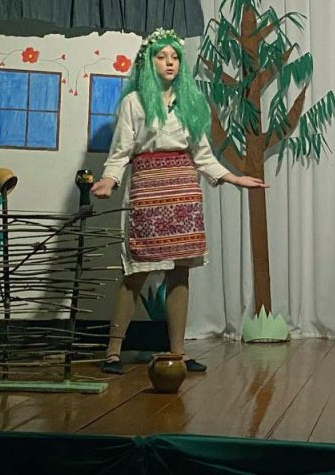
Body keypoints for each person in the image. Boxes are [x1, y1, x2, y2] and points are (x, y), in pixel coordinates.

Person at [91, 27, 267, 374]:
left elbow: (203, 155)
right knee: (136, 272)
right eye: (161, 57)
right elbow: (121, 152)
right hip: (148, 191)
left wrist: (234, 178)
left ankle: (177, 352)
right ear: (148, 63)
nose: (169, 63)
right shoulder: (134, 102)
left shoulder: (191, 102)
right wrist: (109, 180)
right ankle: (112, 352)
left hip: (184, 191)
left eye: (175, 57)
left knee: (180, 272)